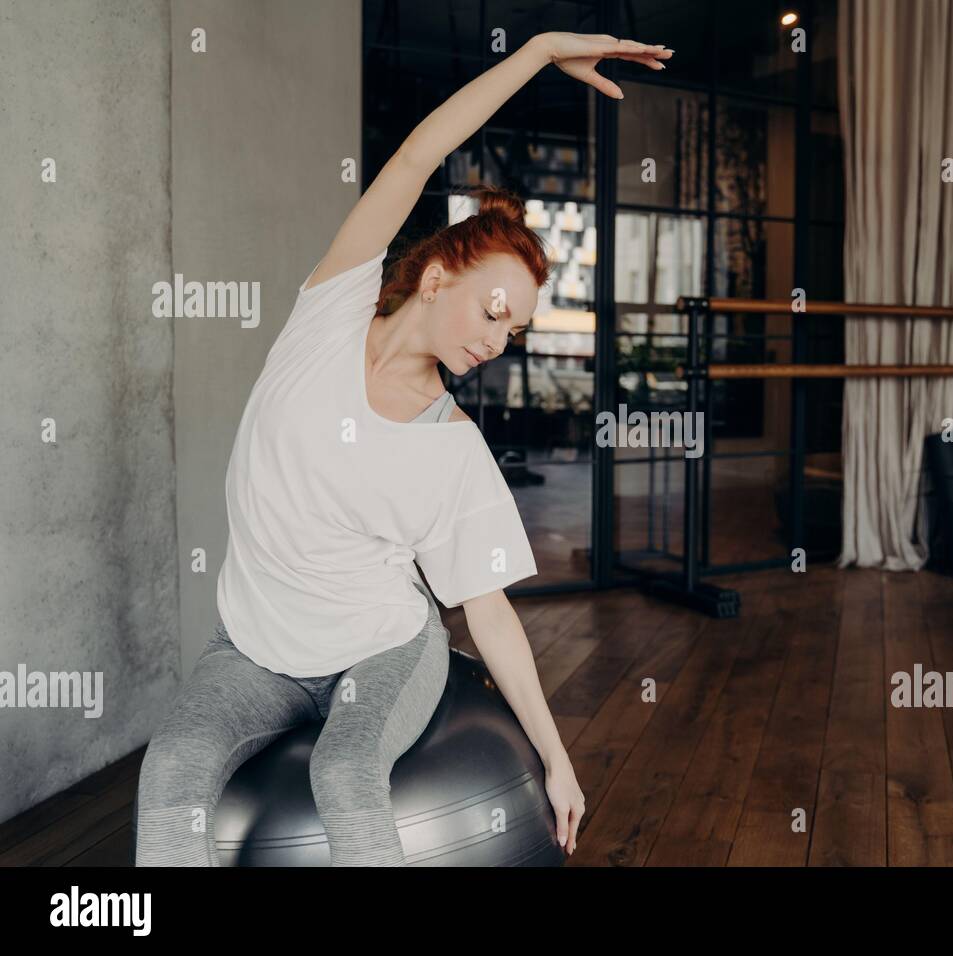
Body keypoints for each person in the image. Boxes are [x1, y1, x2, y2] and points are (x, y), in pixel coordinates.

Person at [134, 31, 673, 866]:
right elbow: (422, 151)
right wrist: (533, 56)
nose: (502, 339)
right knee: (168, 770)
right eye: (494, 310)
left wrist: (560, 760)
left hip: (383, 648)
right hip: (252, 649)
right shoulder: (331, 309)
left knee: (346, 773)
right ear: (435, 278)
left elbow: (487, 612)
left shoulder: (454, 445)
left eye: (518, 330)